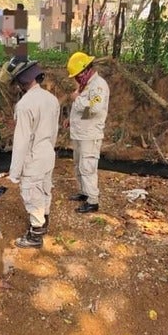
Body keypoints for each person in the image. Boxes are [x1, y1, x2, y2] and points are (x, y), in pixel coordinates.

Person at [0, 57, 60, 249]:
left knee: (31, 194)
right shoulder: (51, 99)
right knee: (44, 188)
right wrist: (50, 149)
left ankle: (35, 235)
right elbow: (54, 131)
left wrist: (15, 173)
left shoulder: (25, 105)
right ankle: (44, 221)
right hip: (48, 153)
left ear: (20, 81)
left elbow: (21, 142)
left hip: (33, 157)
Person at [65, 52, 109, 214]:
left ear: (86, 70)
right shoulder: (86, 85)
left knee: (88, 167)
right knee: (79, 165)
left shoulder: (98, 85)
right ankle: (84, 192)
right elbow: (85, 111)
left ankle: (92, 201)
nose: (76, 78)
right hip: (80, 133)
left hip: (90, 135)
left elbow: (95, 108)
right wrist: (72, 119)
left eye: (77, 75)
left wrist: (77, 98)